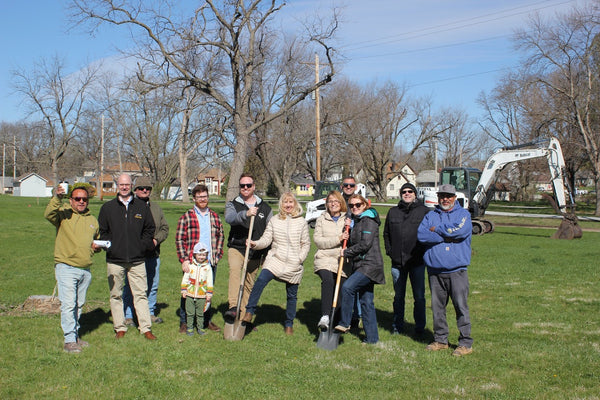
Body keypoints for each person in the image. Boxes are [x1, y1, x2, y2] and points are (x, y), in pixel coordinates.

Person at [98, 174, 157, 340]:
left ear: (131, 185)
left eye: (127, 184)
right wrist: (110, 245)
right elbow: (103, 232)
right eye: (121, 184)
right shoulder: (107, 208)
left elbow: (149, 229)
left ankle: (145, 328)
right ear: (117, 185)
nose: (124, 187)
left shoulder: (141, 207)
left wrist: (141, 246)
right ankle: (120, 327)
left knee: (140, 295)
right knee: (115, 295)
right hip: (115, 260)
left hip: (137, 259)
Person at [241, 192, 310, 335]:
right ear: (281, 205)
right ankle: (249, 312)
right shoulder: (274, 220)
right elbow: (266, 239)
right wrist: (255, 244)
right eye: (285, 202)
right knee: (260, 280)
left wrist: (299, 259)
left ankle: (289, 324)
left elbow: (306, 244)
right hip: (276, 260)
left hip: (293, 263)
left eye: (291, 202)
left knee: (292, 295)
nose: (288, 205)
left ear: (295, 204)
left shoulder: (302, 222)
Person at [417, 184, 474, 357]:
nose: (445, 199)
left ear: (454, 197)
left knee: (460, 307)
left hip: (457, 270)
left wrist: (438, 230)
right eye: (442, 196)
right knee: (437, 308)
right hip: (435, 271)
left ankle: (465, 343)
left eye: (449, 196)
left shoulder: (464, 214)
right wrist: (447, 235)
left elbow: (460, 230)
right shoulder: (430, 215)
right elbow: (421, 235)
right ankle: (441, 340)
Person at [45, 184, 100, 353]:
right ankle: (69, 340)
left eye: (84, 199)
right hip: (66, 267)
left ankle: (74, 335)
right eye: (77, 199)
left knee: (78, 304)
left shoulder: (92, 220)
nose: (81, 202)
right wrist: (57, 197)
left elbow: (95, 240)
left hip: (85, 269)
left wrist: (95, 248)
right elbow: (48, 214)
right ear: (71, 200)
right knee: (68, 305)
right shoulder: (63, 215)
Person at [334, 194, 385, 344]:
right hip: (360, 265)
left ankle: (345, 322)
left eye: (358, 205)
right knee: (366, 301)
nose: (354, 208)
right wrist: (347, 228)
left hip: (370, 265)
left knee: (348, 287)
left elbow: (365, 244)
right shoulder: (357, 221)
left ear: (365, 205)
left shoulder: (368, 220)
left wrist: (346, 252)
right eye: (351, 206)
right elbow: (351, 242)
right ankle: (372, 339)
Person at [223, 173, 273, 322]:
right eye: (242, 185)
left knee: (249, 284)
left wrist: (267, 252)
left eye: (248, 185)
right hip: (237, 247)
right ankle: (233, 308)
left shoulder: (265, 208)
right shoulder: (233, 204)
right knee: (235, 272)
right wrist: (246, 213)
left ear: (254, 187)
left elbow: (270, 231)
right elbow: (229, 218)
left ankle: (244, 316)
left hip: (256, 252)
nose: (245, 188)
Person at [175, 184, 224, 334]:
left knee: (207, 292)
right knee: (188, 292)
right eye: (199, 197)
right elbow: (179, 240)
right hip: (192, 263)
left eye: (205, 196)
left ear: (208, 197)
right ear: (194, 198)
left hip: (209, 263)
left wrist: (217, 255)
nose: (202, 199)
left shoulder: (214, 217)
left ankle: (205, 320)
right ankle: (185, 321)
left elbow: (220, 236)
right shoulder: (187, 217)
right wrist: (184, 260)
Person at [383, 182, 429, 335]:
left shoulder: (424, 211)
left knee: (419, 297)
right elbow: (386, 234)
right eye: (404, 191)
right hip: (397, 263)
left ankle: (420, 328)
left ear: (415, 194)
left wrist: (424, 253)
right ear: (401, 194)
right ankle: (397, 326)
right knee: (398, 297)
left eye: (410, 191)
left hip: (417, 262)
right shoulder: (393, 212)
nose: (407, 194)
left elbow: (430, 234)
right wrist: (390, 251)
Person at [123, 176, 169, 327]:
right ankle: (129, 316)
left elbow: (164, 228)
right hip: (134, 255)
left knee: (152, 284)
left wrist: (156, 240)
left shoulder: (156, 208)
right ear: (135, 190)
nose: (144, 190)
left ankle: (150, 312)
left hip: (152, 254)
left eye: (147, 188)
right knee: (131, 286)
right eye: (141, 188)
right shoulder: (129, 206)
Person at [313, 190, 350, 330]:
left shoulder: (347, 219)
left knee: (341, 290)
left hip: (341, 260)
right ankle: (325, 316)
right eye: (330, 201)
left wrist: (350, 227)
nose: (333, 204)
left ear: (341, 203)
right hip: (324, 258)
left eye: (336, 201)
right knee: (328, 280)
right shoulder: (321, 219)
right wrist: (338, 239)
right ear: (327, 204)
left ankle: (335, 323)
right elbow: (318, 241)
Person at [181, 242, 214, 336]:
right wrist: (184, 290)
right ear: (195, 254)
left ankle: (200, 327)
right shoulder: (190, 266)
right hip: (190, 294)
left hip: (202, 294)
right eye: (199, 255)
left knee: (200, 313)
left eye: (204, 255)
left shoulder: (207, 268)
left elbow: (209, 281)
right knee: (190, 312)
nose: (201, 257)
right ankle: (190, 327)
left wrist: (209, 293)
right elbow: (185, 278)